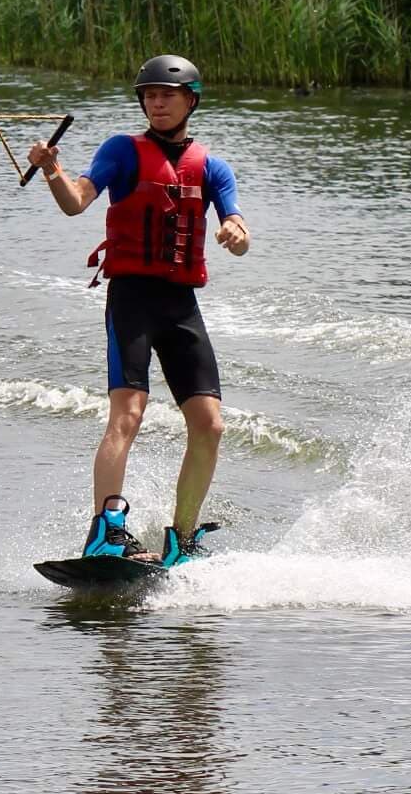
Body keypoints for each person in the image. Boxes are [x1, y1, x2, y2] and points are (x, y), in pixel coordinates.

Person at [25, 55, 251, 567]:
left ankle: (183, 538)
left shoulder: (212, 168)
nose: (157, 102)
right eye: (149, 95)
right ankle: (106, 529)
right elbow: (76, 201)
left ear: (191, 101)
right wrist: (51, 169)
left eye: (167, 95)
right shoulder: (122, 152)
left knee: (210, 423)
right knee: (128, 412)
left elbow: (237, 228)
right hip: (131, 297)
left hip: (180, 305)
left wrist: (235, 233)